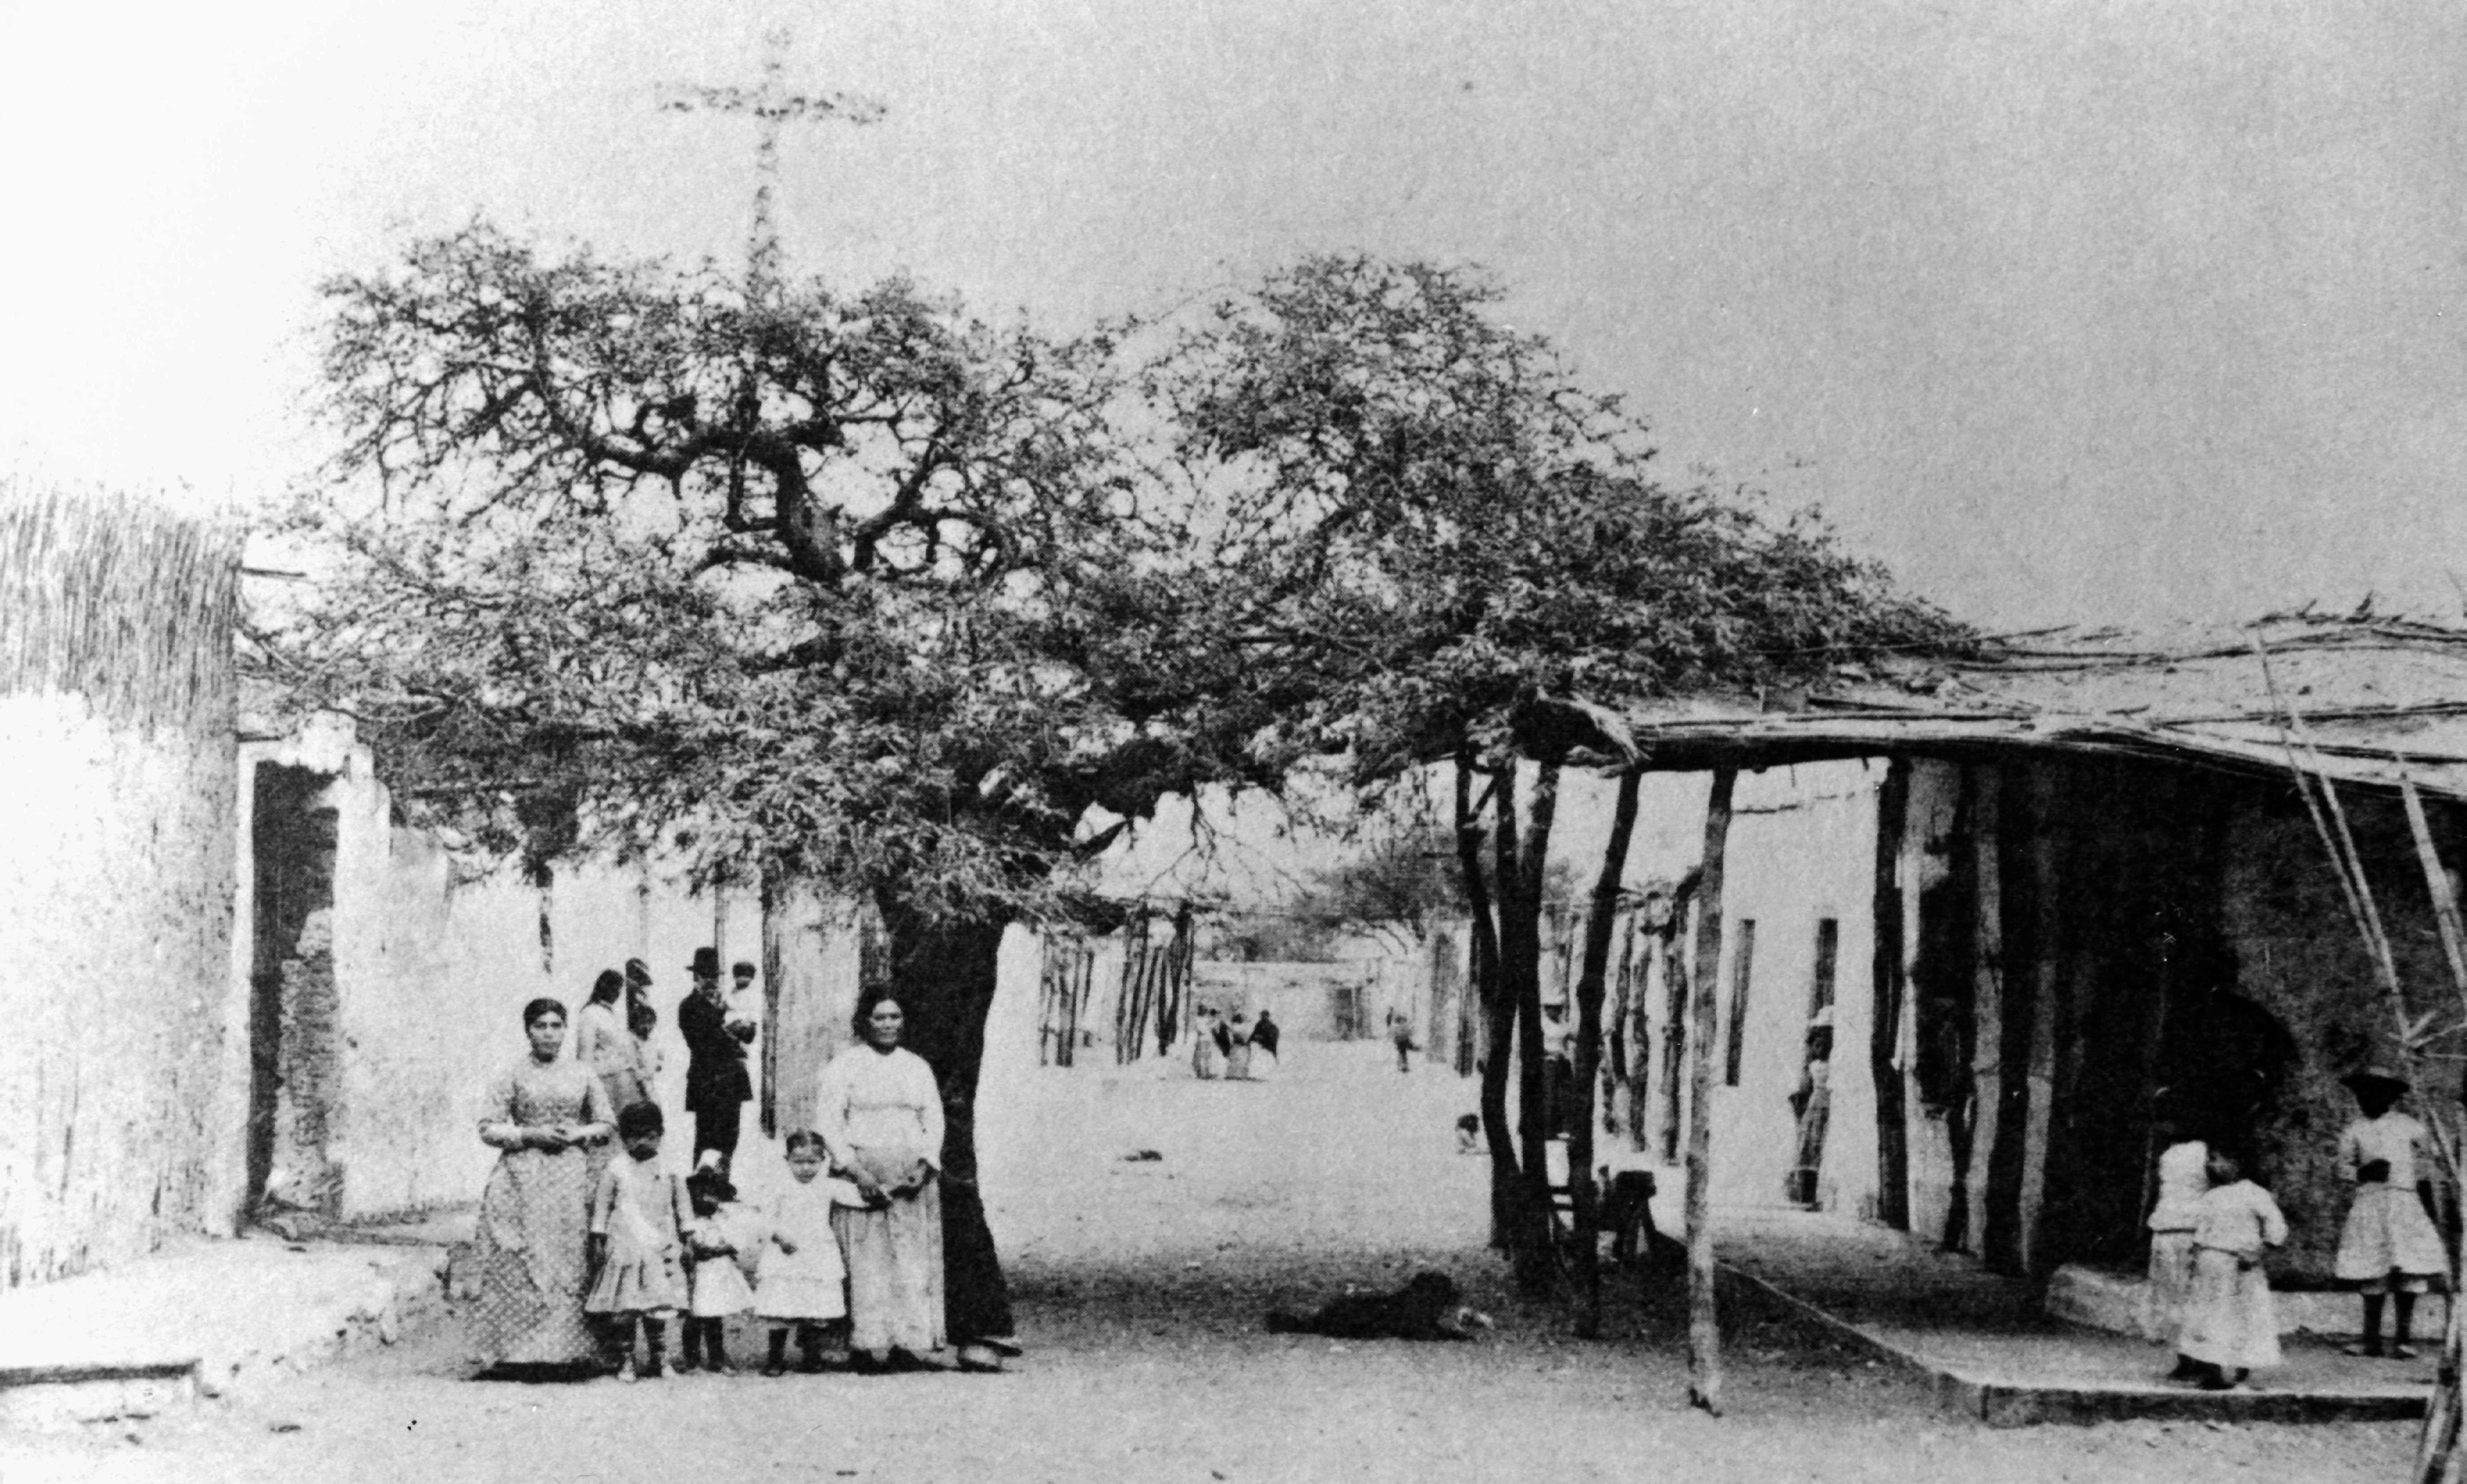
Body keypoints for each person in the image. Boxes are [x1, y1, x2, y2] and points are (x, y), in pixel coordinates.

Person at [469, 997, 615, 1376]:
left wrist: (579, 1131)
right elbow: (488, 1126)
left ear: (566, 1030)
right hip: (523, 1176)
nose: (549, 1033)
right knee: (521, 1254)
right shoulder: (513, 1074)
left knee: (568, 1257)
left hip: (569, 1174)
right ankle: (519, 1353)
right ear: (528, 1030)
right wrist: (530, 1133)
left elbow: (606, 1122)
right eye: (541, 1026)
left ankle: (568, 1352)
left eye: (556, 1025)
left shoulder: (583, 1073)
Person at [815, 995, 946, 1371]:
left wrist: (924, 1165)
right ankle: (865, 1344)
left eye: (895, 1016)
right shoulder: (846, 1065)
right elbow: (829, 1122)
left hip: (908, 1175)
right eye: (880, 1017)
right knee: (867, 1262)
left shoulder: (917, 1066)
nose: (888, 1024)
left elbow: (933, 1118)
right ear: (864, 1021)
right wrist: (857, 1171)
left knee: (908, 1260)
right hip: (862, 1170)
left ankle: (907, 1341)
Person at [2334, 1066, 2447, 1359]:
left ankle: (2403, 1339)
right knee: (2374, 1269)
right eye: (2362, 1093)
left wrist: (2429, 1195)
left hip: (2405, 1202)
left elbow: (2432, 1161)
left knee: (2408, 1269)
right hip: (2371, 1204)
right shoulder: (2354, 1130)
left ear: (2391, 1096)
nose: (2367, 1098)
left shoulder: (2411, 1127)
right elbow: (2343, 1168)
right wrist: (2362, 1172)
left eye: (2376, 1092)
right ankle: (2370, 1339)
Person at [586, 1101, 690, 1383]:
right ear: (623, 1137)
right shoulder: (616, 1168)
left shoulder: (670, 1167)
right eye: (634, 1136)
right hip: (626, 1247)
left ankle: (660, 1357)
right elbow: (603, 1205)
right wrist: (598, 1236)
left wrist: (688, 1235)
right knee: (626, 1309)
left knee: (657, 1307)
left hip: (659, 1245)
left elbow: (683, 1204)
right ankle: (627, 1359)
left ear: (661, 1135)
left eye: (650, 1135)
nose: (642, 1142)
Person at [2174, 1144, 2288, 1391]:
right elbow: (2201, 1233)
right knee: (2210, 1315)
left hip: (2239, 1264)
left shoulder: (2255, 1193)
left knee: (2241, 1315)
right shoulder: (2211, 1197)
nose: (2211, 1166)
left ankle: (2236, 1366)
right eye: (2209, 1160)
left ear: (2236, 1162)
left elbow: (2276, 1227)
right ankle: (2212, 1367)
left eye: (2217, 1158)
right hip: (2210, 1263)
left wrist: (2258, 1252)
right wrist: (2194, 1259)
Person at [755, 1130, 866, 1376]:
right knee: (780, 1306)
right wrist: (778, 1236)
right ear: (787, 1160)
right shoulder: (778, 1187)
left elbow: (858, 1196)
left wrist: (883, 1191)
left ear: (823, 1160)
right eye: (799, 1162)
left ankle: (812, 1356)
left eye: (812, 1162)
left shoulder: (827, 1185)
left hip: (818, 1251)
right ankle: (775, 1358)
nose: (806, 1168)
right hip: (787, 1251)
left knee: (816, 1306)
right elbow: (764, 1217)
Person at [677, 1156, 758, 1376]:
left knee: (715, 1318)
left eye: (712, 1193)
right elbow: (694, 1246)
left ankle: (717, 1358)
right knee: (693, 1317)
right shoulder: (692, 1222)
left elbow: (735, 1243)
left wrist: (724, 1249)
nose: (706, 1199)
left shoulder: (724, 1219)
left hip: (717, 1274)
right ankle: (691, 1358)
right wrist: (701, 1250)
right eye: (700, 1194)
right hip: (699, 1273)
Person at [680, 947, 757, 1167]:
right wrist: (731, 1033)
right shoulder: (689, 1006)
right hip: (707, 1081)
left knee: (730, 1138)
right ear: (696, 977)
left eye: (715, 976)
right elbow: (701, 1044)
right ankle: (702, 1192)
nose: (711, 981)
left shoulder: (728, 1003)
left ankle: (722, 1184)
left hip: (733, 1080)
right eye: (706, 976)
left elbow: (750, 1036)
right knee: (707, 1139)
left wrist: (743, 1026)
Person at [2143, 1119, 2209, 1355]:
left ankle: (2182, 1354)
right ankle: (2192, 1355)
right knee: (2193, 1296)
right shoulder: (2206, 1153)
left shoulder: (2169, 1154)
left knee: (2170, 1295)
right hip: (2192, 1229)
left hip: (2165, 1228)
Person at [575, 968, 652, 1115]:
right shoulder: (590, 1014)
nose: (616, 992)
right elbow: (585, 1058)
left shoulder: (611, 1015)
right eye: (613, 987)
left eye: (619, 988)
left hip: (624, 1084)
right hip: (606, 1084)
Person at [1191, 1005, 1223, 1080]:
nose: (1204, 1012)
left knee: (1208, 1057)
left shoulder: (1206, 1019)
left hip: (1208, 1039)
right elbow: (1201, 1030)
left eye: (1205, 1010)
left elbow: (1212, 1025)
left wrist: (1216, 1021)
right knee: (1202, 1056)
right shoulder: (1197, 1019)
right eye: (1203, 1010)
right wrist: (1209, 1027)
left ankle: (1207, 1072)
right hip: (1202, 1040)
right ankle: (1201, 1073)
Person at [1224, 1011, 1255, 1081]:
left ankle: (1233, 1075)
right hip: (1241, 1045)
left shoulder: (1234, 1026)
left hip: (1237, 1046)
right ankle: (1239, 1075)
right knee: (1241, 1060)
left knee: (1236, 1060)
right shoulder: (1239, 1027)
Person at [1389, 1009, 1417, 1074]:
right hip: (1401, 1042)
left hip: (1403, 1041)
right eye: (1402, 1021)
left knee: (1403, 1053)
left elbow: (1410, 1033)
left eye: (1404, 1021)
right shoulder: (1398, 1027)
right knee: (1403, 1053)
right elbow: (1394, 1033)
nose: (1403, 1022)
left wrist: (1411, 1032)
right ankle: (1403, 1066)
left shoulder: (1401, 1027)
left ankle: (1402, 1066)